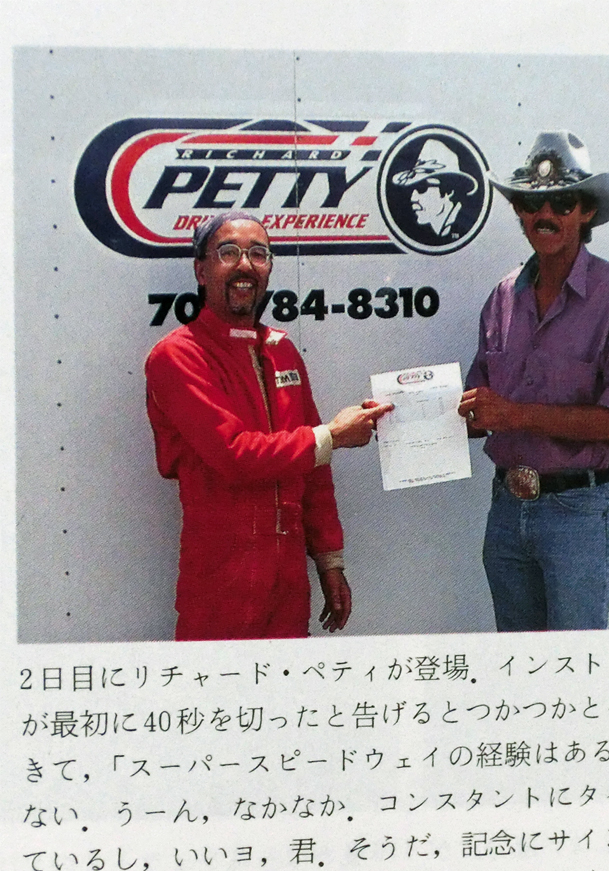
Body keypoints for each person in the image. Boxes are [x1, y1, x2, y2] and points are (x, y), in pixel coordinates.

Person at [145, 211, 392, 640]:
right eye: (229, 253)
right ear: (201, 271)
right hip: (221, 580)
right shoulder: (177, 356)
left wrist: (329, 561)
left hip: (288, 581)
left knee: (286, 683)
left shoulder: (282, 351)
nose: (245, 265)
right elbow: (234, 455)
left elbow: (314, 471)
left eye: (258, 254)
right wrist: (331, 436)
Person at [458, 131, 609, 631]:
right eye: (532, 203)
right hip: (507, 511)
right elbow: (479, 414)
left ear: (586, 212)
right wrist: (402, 419)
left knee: (573, 667)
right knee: (519, 667)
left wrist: (515, 415)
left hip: (578, 515)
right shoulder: (503, 297)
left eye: (562, 203)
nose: (545, 214)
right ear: (519, 211)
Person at [392, 138, 479, 239]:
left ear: (449, 191)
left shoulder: (464, 225)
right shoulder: (425, 234)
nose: (413, 198)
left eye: (422, 188)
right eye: (412, 188)